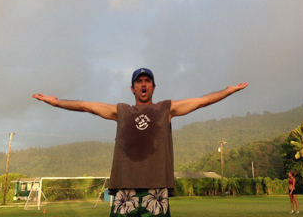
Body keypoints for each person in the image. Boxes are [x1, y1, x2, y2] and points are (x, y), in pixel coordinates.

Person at [33, 67, 248, 217]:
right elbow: (86, 106)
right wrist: (57, 102)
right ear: (133, 88)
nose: (143, 84)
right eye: (139, 81)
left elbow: (201, 102)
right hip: (125, 188)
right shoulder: (121, 110)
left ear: (153, 87)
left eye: (147, 81)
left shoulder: (166, 108)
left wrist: (227, 92)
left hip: (156, 190)